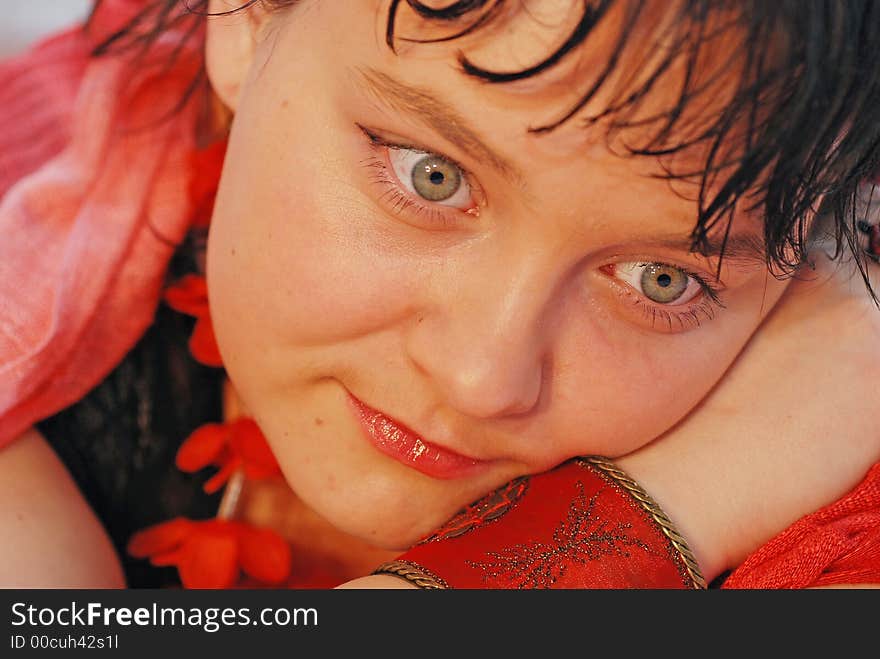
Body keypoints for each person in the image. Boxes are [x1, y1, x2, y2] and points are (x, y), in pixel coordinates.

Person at [0, 0, 878, 589]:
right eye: (431, 176)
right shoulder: (43, 224)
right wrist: (682, 497)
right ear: (247, 17)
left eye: (662, 280)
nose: (481, 379)